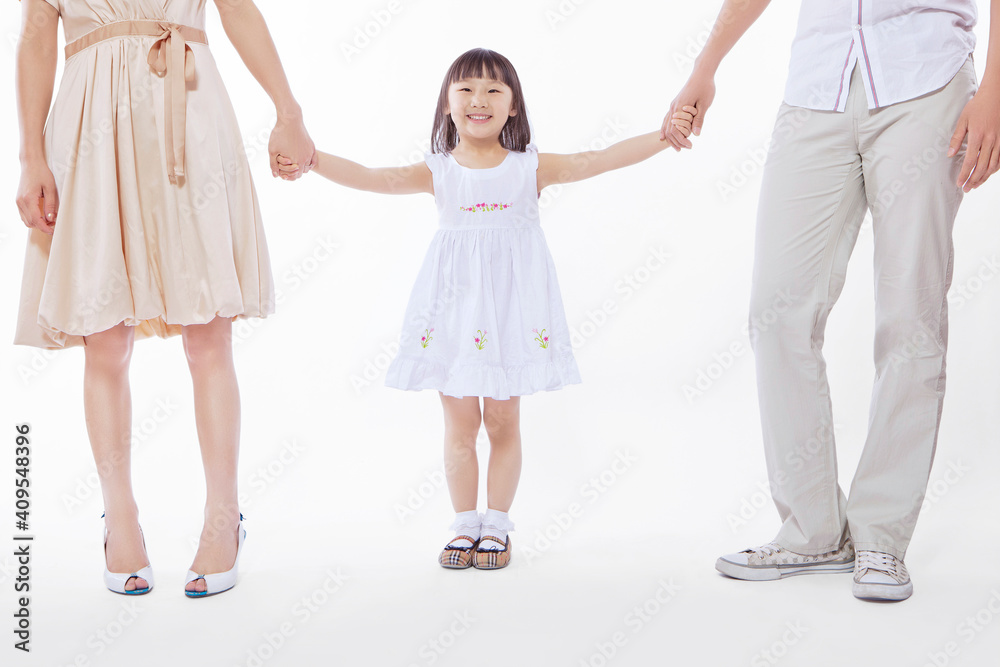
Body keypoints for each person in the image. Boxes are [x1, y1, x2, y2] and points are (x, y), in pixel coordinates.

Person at [279, 47, 694, 570]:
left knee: (501, 419)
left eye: (494, 90)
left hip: (510, 313)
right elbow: (370, 176)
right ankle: (463, 525)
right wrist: (311, 159)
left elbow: (603, 158)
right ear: (448, 103)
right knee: (458, 423)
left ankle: (496, 524)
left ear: (514, 106)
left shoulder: (531, 168)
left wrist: (664, 135)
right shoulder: (438, 171)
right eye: (467, 89)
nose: (480, 99)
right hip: (453, 313)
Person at [662, 0, 1000, 601]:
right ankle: (812, 532)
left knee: (910, 315)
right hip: (817, 85)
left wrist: (996, 86)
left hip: (927, 80)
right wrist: (705, 64)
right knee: (777, 310)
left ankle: (881, 540)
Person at [13, 0, 316, 596]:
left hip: (191, 112)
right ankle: (118, 516)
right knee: (102, 339)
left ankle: (224, 517)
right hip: (87, 124)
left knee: (209, 331)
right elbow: (33, 36)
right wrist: (29, 157)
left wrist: (289, 112)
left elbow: (239, 10)